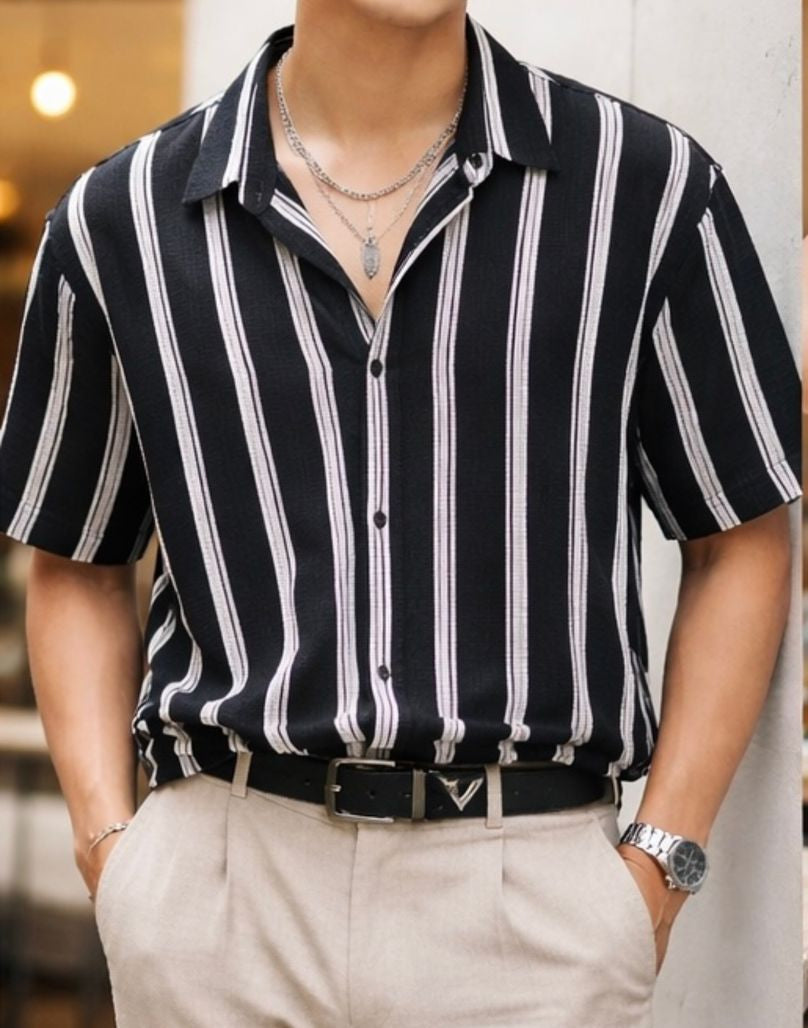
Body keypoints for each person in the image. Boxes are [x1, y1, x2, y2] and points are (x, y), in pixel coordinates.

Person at [0, 2, 801, 1025]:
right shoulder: (121, 222)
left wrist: (658, 860)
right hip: (221, 902)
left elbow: (738, 534)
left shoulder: (644, 190)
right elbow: (77, 558)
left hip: (531, 915)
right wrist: (115, 854)